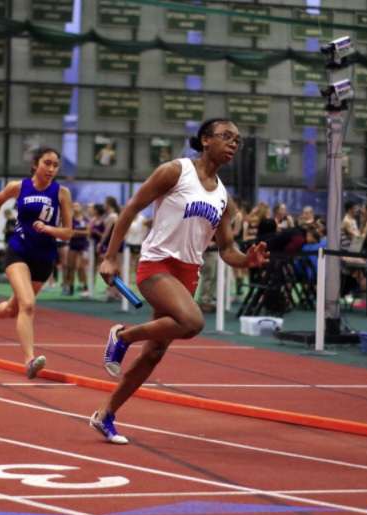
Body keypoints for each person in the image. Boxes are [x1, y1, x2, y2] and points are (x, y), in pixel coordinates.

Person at [90, 118, 269, 444]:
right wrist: (110, 255)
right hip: (157, 265)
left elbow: (227, 249)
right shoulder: (175, 171)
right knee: (192, 321)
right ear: (205, 140)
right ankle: (123, 336)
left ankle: (106, 415)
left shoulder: (224, 199)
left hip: (187, 275)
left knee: (155, 353)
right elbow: (131, 208)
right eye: (226, 137)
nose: (233, 144)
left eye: (237, 141)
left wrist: (248, 260)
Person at [0, 147, 74, 379]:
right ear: (36, 164)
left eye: (55, 165)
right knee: (28, 305)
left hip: (44, 257)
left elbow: (69, 232)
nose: (51, 169)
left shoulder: (62, 193)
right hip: (18, 251)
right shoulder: (18, 187)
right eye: (47, 163)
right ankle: (29, 360)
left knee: (13, 308)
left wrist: (49, 229)